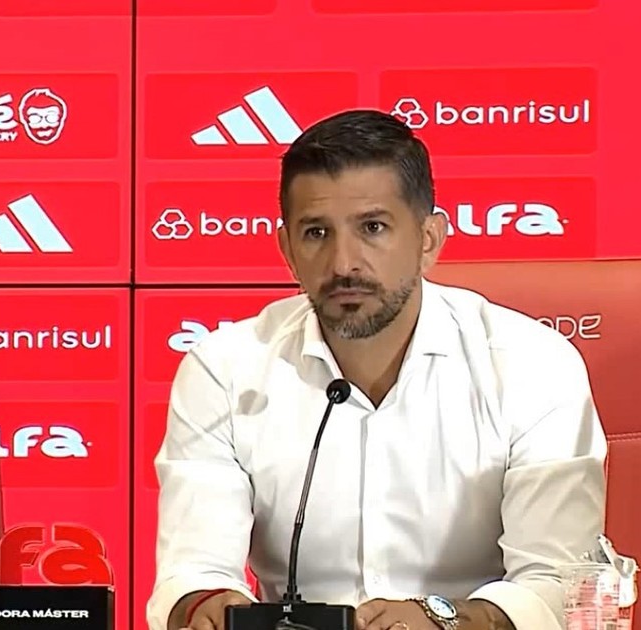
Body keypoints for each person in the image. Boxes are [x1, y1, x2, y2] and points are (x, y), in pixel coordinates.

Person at [147, 110, 607, 630]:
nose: (343, 263)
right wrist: (204, 604)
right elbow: (193, 568)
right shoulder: (225, 369)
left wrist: (449, 620)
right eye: (316, 232)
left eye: (372, 228)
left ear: (429, 239)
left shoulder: (531, 364)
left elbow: (557, 581)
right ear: (287, 250)